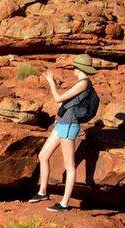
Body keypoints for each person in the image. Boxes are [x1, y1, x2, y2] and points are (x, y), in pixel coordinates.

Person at [28, 53, 97, 212]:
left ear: (79, 68)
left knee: (69, 165)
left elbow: (58, 99)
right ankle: (42, 192)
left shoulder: (84, 83)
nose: (73, 68)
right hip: (62, 124)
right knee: (43, 155)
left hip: (69, 125)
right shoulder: (81, 83)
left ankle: (64, 204)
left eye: (74, 66)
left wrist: (51, 83)